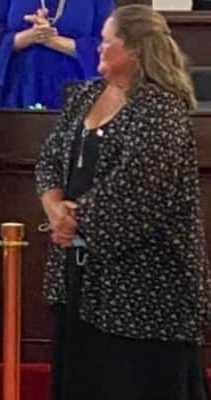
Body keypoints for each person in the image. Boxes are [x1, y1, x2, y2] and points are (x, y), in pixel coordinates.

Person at [35, 5, 211, 399]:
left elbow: (138, 190)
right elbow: (49, 159)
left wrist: (73, 223)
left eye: (106, 41)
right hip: (79, 281)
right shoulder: (85, 96)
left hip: (144, 292)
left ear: (133, 49)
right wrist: (54, 206)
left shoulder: (160, 108)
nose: (98, 47)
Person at [0, 0, 113, 109]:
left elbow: (108, 45)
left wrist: (52, 40)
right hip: (17, 90)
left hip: (76, 93)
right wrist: (27, 37)